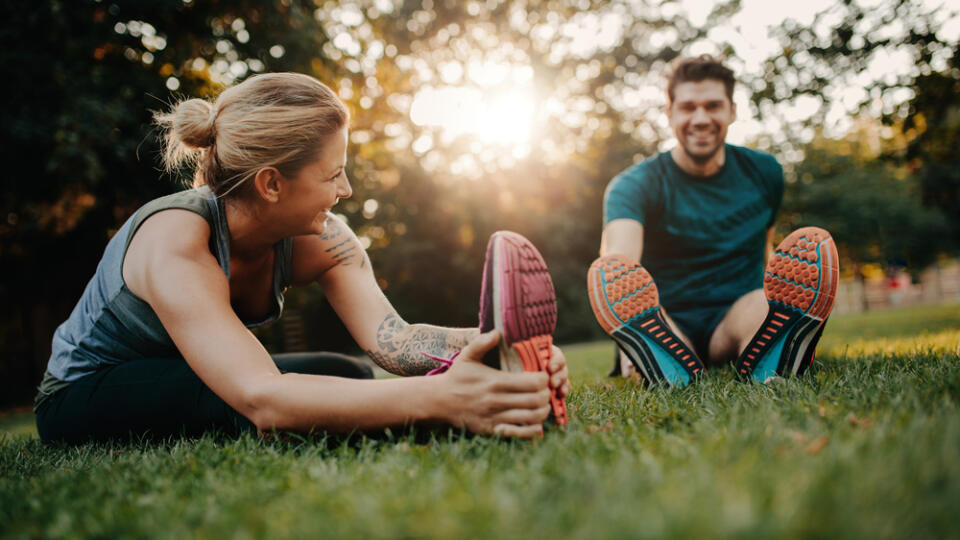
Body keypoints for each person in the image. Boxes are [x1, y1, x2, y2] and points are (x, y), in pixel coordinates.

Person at [35, 72, 569, 444]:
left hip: (190, 374)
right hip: (87, 390)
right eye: (332, 174)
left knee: (349, 376)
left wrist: (499, 348)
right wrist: (443, 401)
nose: (348, 188)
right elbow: (263, 397)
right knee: (245, 406)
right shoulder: (177, 239)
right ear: (271, 183)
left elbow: (397, 342)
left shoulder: (324, 239)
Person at [587, 55, 838, 385]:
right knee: (651, 319)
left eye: (713, 106)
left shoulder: (765, 172)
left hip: (735, 316)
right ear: (670, 113)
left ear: (732, 110)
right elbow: (619, 265)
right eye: (688, 107)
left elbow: (765, 249)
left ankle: (776, 349)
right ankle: (649, 352)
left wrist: (776, 297)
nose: (701, 118)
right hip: (667, 317)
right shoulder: (634, 185)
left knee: (763, 308)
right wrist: (622, 333)